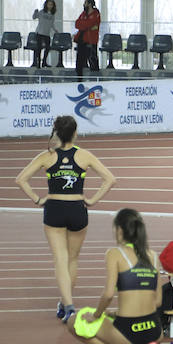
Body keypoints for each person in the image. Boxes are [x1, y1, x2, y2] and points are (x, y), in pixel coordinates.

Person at [15, 115, 117, 323]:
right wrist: (93, 200)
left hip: (54, 208)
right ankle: (65, 303)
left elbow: (20, 179)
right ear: (75, 133)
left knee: (60, 259)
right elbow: (110, 178)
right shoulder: (85, 156)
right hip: (78, 209)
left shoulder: (46, 156)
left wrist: (37, 199)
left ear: (57, 133)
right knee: (72, 259)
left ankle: (68, 306)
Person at [67, 209, 165, 344]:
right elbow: (157, 301)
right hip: (155, 330)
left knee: (74, 321)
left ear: (119, 230)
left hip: (128, 331)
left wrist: (97, 315)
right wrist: (113, 313)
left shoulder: (115, 254)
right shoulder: (154, 256)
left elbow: (108, 294)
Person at [74, 0, 100, 80]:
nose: (84, 4)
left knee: (92, 60)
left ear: (89, 4)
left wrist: (84, 25)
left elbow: (90, 23)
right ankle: (79, 79)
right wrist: (87, 26)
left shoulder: (96, 14)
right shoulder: (83, 14)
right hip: (81, 40)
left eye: (85, 3)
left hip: (91, 40)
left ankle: (95, 80)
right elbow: (77, 23)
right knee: (79, 62)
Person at [32, 0, 58, 68]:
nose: (50, 6)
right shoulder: (41, 12)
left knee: (48, 48)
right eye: (49, 4)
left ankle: (44, 62)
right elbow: (34, 17)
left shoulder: (52, 15)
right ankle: (38, 63)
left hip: (47, 33)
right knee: (39, 48)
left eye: (51, 5)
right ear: (46, 5)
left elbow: (52, 24)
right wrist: (35, 12)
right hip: (39, 32)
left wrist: (55, 29)